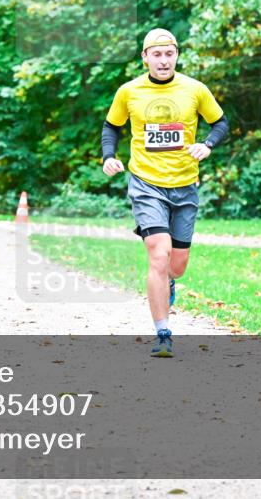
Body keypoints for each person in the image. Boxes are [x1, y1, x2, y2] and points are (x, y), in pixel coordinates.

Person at [101, 28, 229, 357]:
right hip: (145, 182)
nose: (163, 60)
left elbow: (221, 122)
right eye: (156, 54)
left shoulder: (195, 89)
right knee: (159, 255)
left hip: (185, 184)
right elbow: (111, 126)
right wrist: (109, 156)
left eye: (168, 54)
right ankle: (163, 333)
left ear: (177, 55)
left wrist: (207, 145)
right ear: (145, 57)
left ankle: (169, 282)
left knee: (177, 264)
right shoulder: (129, 92)